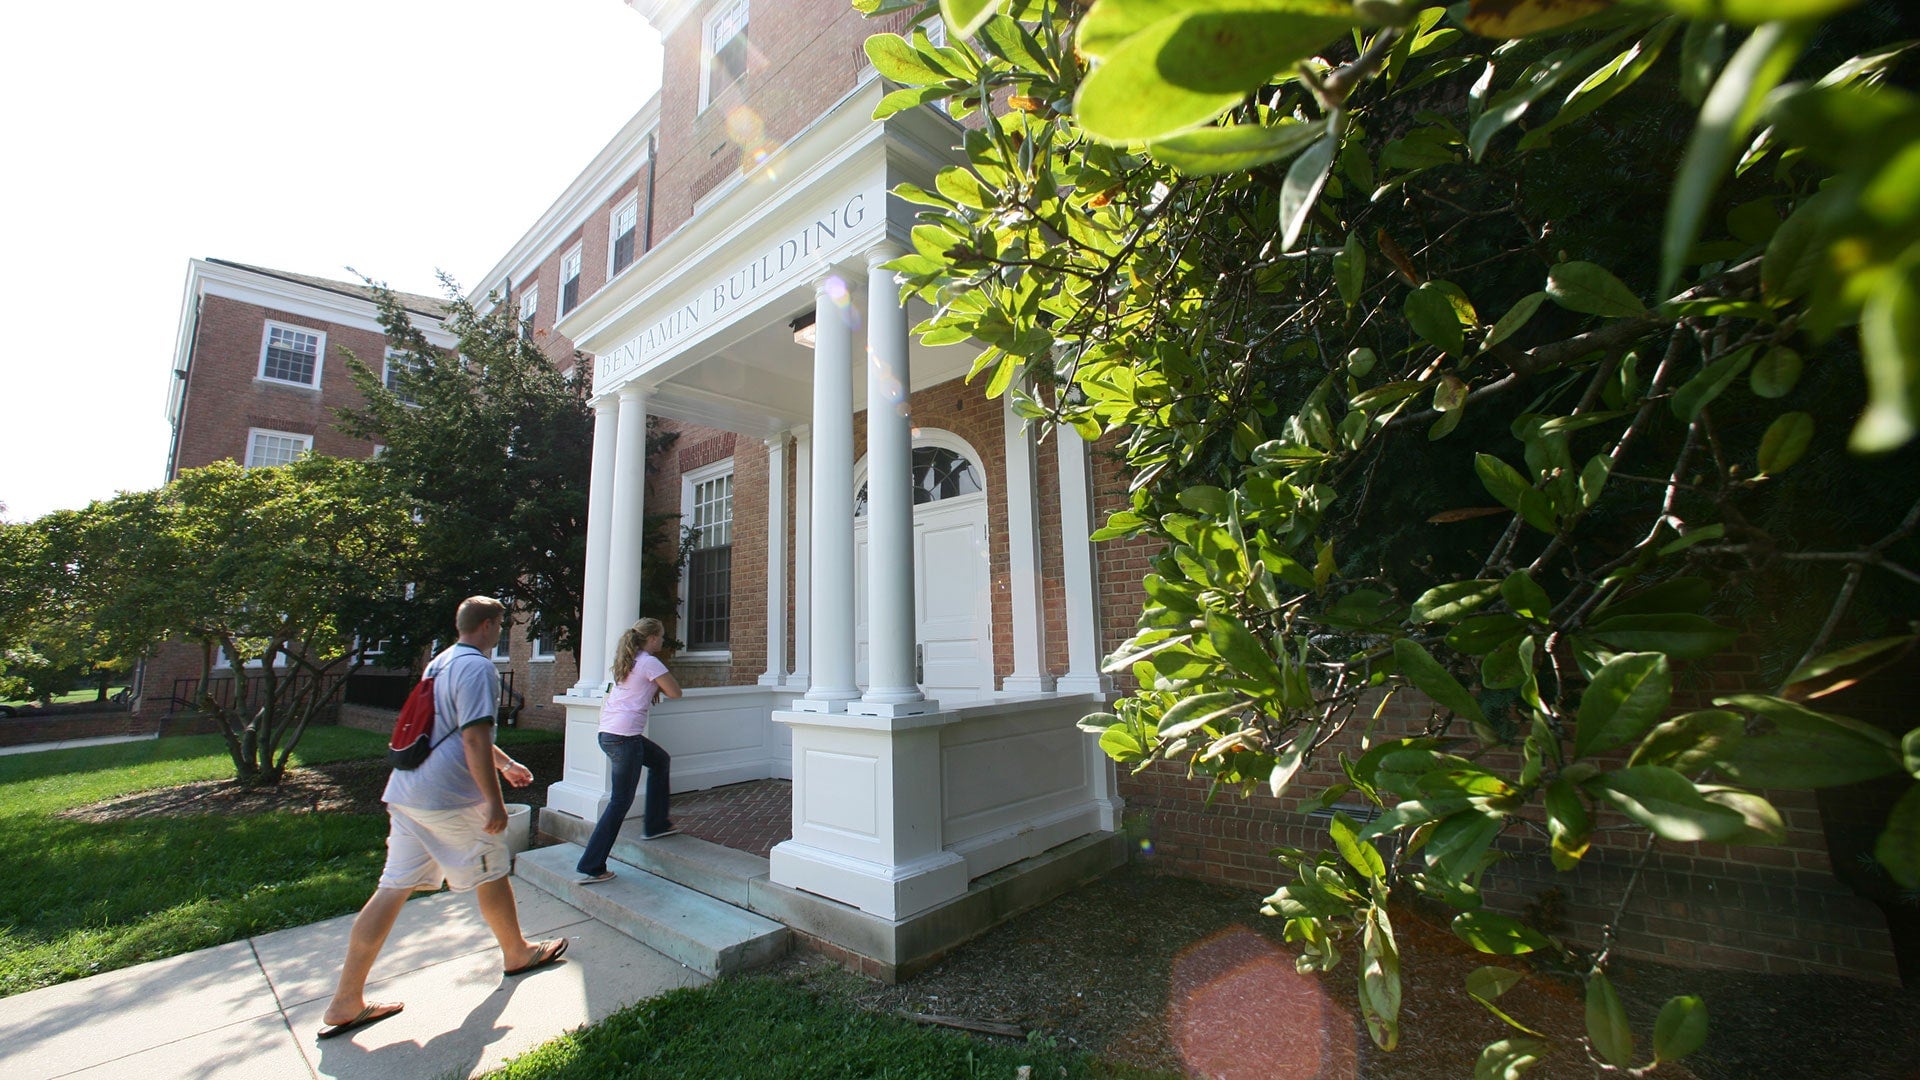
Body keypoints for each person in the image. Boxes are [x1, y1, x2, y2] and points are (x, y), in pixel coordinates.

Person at [318, 596, 568, 1041]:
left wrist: (505, 763)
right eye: (502, 625)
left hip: (408, 791)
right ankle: (517, 951)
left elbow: (449, 726)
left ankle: (346, 999)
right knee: (492, 868)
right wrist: (492, 801)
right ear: (490, 626)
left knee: (392, 887)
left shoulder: (441, 662)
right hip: (448, 798)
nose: (503, 632)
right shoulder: (477, 668)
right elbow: (472, 736)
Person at [575, 617, 683, 883]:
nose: (662, 641)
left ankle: (656, 824)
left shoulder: (629, 660)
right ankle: (592, 865)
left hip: (609, 733)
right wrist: (657, 683)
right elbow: (676, 692)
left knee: (660, 761)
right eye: (660, 636)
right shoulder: (648, 662)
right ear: (652, 638)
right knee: (620, 801)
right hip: (625, 739)